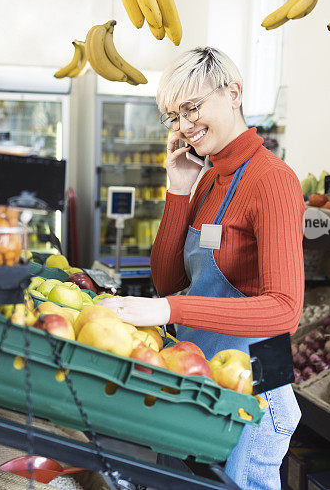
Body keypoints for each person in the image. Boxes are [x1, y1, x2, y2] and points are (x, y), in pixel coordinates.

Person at [99, 47, 304, 490]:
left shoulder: (273, 180)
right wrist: (177, 191)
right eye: (174, 116)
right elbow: (168, 280)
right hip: (198, 380)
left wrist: (169, 311)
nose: (184, 126)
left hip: (252, 393)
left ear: (234, 93)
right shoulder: (209, 177)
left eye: (192, 108)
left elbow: (285, 309)